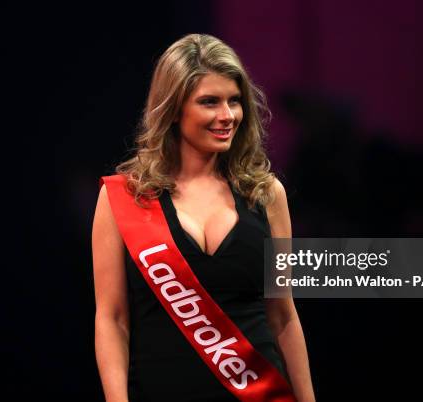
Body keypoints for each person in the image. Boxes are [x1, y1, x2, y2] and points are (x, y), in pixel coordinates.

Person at [92, 33, 315, 402]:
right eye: (209, 102)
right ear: (174, 108)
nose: (227, 116)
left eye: (235, 101)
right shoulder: (122, 197)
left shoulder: (266, 194)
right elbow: (112, 320)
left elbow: (283, 317)